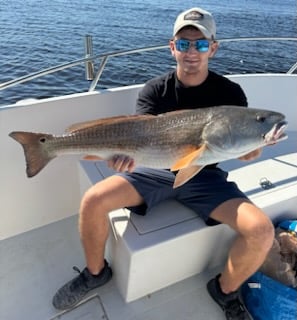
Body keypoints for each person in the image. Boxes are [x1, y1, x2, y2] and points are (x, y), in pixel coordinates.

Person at [52, 7, 274, 320]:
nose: (192, 52)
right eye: (184, 44)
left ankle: (224, 290)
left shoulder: (230, 93)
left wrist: (252, 149)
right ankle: (96, 272)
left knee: (262, 231)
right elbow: (136, 138)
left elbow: (236, 145)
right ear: (172, 47)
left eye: (200, 44)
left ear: (213, 47)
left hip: (205, 177)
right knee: (93, 201)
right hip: (153, 171)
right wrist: (124, 158)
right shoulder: (155, 90)